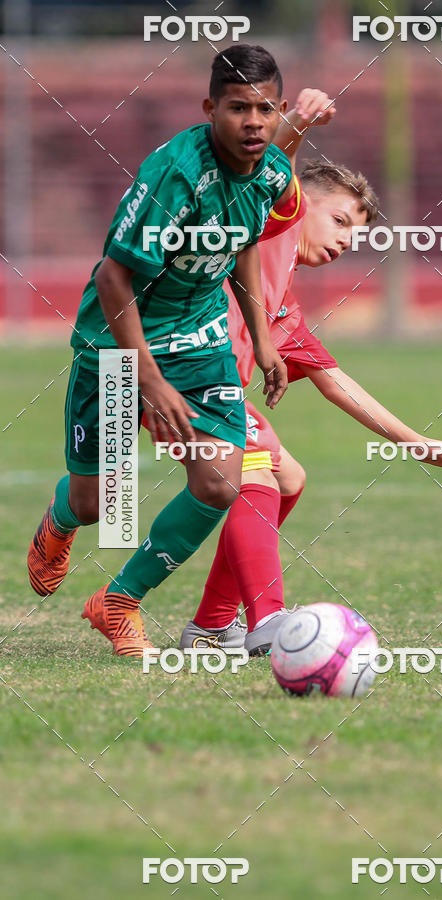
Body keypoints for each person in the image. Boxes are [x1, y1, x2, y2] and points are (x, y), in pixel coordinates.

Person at [27, 44, 294, 658]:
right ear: (210, 109)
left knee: (222, 482)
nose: (253, 122)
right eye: (237, 109)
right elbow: (111, 281)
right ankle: (62, 520)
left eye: (265, 109)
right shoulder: (174, 178)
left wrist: (264, 334)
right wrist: (147, 380)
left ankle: (118, 601)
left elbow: (246, 244)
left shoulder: (274, 171)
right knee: (99, 501)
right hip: (118, 344)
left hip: (201, 343)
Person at [178, 149, 442, 655]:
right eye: (337, 220)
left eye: (353, 236)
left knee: (288, 479)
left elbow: (336, 382)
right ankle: (266, 619)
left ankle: (212, 625)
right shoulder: (266, 226)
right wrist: (300, 120)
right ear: (295, 202)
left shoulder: (283, 305)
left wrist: (416, 442)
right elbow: (264, 167)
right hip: (172, 370)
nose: (343, 241)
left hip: (203, 392)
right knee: (260, 468)